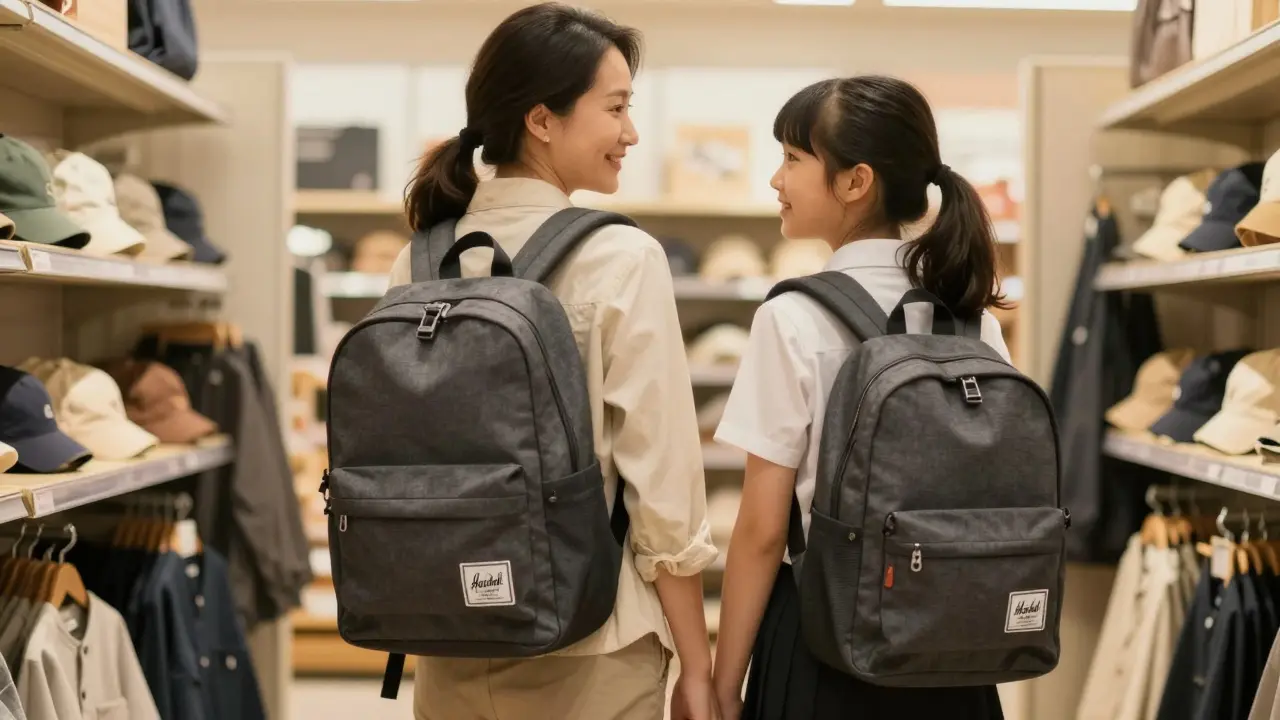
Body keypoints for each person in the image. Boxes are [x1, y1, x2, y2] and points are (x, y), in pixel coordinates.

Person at [385, 4, 719, 720]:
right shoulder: (620, 257)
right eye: (617, 108)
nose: (631, 133)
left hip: (448, 632)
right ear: (542, 120)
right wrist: (699, 661)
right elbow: (661, 485)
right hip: (591, 643)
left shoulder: (416, 262)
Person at [709, 75, 1013, 720]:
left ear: (855, 181)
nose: (776, 180)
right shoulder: (971, 319)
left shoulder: (792, 318)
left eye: (793, 159)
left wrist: (723, 683)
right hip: (951, 639)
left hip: (825, 635)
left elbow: (763, 532)